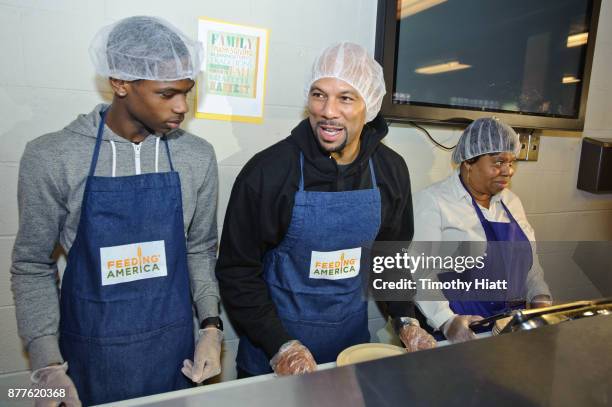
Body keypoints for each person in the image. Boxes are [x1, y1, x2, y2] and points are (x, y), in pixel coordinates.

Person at [10, 16, 223, 406]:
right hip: (89, 356)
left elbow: (199, 249)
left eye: (187, 92)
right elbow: (31, 264)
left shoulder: (196, 157)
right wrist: (46, 364)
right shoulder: (53, 156)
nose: (182, 107)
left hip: (175, 354)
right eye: (166, 93)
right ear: (120, 83)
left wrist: (211, 325)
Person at [216, 42, 436, 378]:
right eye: (319, 95)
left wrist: (406, 319)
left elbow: (389, 259)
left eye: (346, 98)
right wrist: (281, 345)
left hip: (350, 355)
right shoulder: (269, 172)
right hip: (272, 359)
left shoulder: (390, 171)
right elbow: (237, 272)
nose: (328, 111)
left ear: (370, 105)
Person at [413, 117, 552, 343]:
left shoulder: (511, 202)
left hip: (508, 328)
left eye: (511, 162)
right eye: (498, 163)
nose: (508, 171)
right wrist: (446, 321)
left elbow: (530, 265)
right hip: (460, 331)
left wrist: (540, 300)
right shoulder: (433, 203)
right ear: (469, 162)